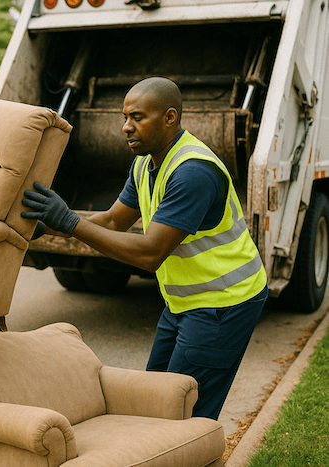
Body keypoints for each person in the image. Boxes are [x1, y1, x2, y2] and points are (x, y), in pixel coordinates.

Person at [22, 76, 268, 420]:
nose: (126, 127)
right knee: (153, 397)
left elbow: (150, 254)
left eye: (138, 118)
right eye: (125, 118)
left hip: (225, 303)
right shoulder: (145, 163)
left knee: (182, 413)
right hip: (185, 301)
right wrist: (52, 227)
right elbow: (111, 222)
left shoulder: (192, 172)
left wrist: (69, 222)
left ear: (169, 117)